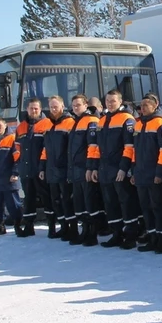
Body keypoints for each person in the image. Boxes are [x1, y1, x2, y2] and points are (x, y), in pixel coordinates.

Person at [126, 93, 162, 253]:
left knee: (158, 208)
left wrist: (159, 173)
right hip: (141, 174)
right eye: (141, 105)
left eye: (146, 105)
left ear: (155, 106)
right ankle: (152, 238)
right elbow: (134, 151)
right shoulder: (138, 125)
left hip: (154, 175)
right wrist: (134, 171)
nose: (142, 108)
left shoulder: (161, 124)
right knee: (146, 208)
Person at [95, 90, 136, 249]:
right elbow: (97, 148)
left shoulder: (127, 119)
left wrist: (123, 168)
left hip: (119, 169)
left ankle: (131, 235)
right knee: (110, 203)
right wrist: (95, 167)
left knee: (126, 202)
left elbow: (129, 147)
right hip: (105, 169)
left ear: (120, 101)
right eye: (107, 101)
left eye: (113, 101)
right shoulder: (102, 120)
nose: (110, 103)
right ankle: (116, 233)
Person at [39, 96, 76, 241]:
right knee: (56, 200)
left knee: (67, 199)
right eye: (51, 107)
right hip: (51, 169)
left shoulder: (69, 122)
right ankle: (63, 226)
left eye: (56, 106)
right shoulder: (47, 124)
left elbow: (72, 148)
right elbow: (45, 149)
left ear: (62, 106)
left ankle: (72, 228)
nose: (53, 109)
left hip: (64, 168)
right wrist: (42, 167)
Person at [67, 94, 101, 247]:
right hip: (75, 170)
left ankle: (92, 233)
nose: (75, 107)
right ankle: (84, 230)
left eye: (78, 105)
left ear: (86, 105)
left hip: (85, 169)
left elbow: (93, 147)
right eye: (73, 105)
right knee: (79, 202)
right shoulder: (75, 121)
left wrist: (90, 167)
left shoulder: (91, 121)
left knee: (90, 202)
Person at [14, 98, 52, 237]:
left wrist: (43, 166)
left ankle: (52, 226)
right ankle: (29, 226)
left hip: (41, 169)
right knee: (28, 199)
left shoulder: (47, 124)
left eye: (36, 108)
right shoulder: (21, 127)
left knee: (47, 197)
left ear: (41, 109)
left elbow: (47, 148)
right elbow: (17, 148)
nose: (33, 111)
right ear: (27, 109)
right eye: (31, 108)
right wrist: (19, 163)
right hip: (26, 170)